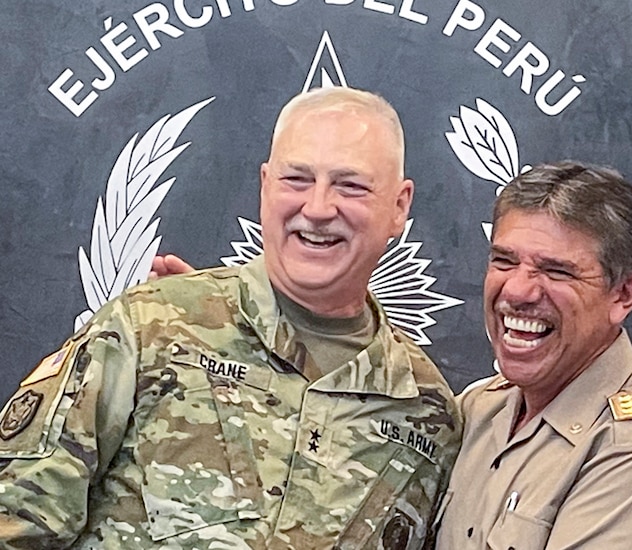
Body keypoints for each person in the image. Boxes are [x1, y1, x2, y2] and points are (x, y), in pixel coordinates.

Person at [0, 87, 462, 549]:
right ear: (265, 185)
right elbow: (15, 520)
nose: (319, 208)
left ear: (399, 206)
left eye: (351, 185)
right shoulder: (152, 326)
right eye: (297, 179)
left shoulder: (426, 412)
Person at [434, 162, 632, 549]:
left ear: (624, 295)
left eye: (556, 271)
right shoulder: (479, 408)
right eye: (504, 261)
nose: (517, 291)